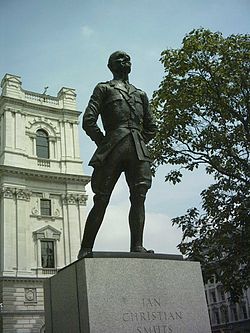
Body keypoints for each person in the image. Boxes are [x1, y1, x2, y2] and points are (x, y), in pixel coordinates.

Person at [78, 51, 157, 259]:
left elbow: (151, 127)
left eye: (128, 58)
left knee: (139, 197)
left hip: (138, 150)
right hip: (112, 147)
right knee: (101, 199)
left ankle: (137, 246)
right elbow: (88, 120)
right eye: (120, 59)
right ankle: (86, 247)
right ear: (110, 66)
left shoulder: (140, 94)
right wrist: (104, 142)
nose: (126, 61)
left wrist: (138, 141)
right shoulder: (104, 88)